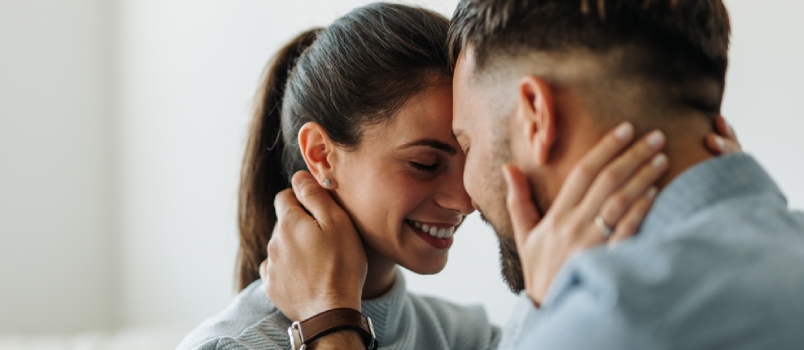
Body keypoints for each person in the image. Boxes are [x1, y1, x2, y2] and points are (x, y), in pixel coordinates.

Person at [259, 0, 804, 349]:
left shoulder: (610, 323)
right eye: (427, 162)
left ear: (536, 117)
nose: (466, 194)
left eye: (466, 144)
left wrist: (329, 327)